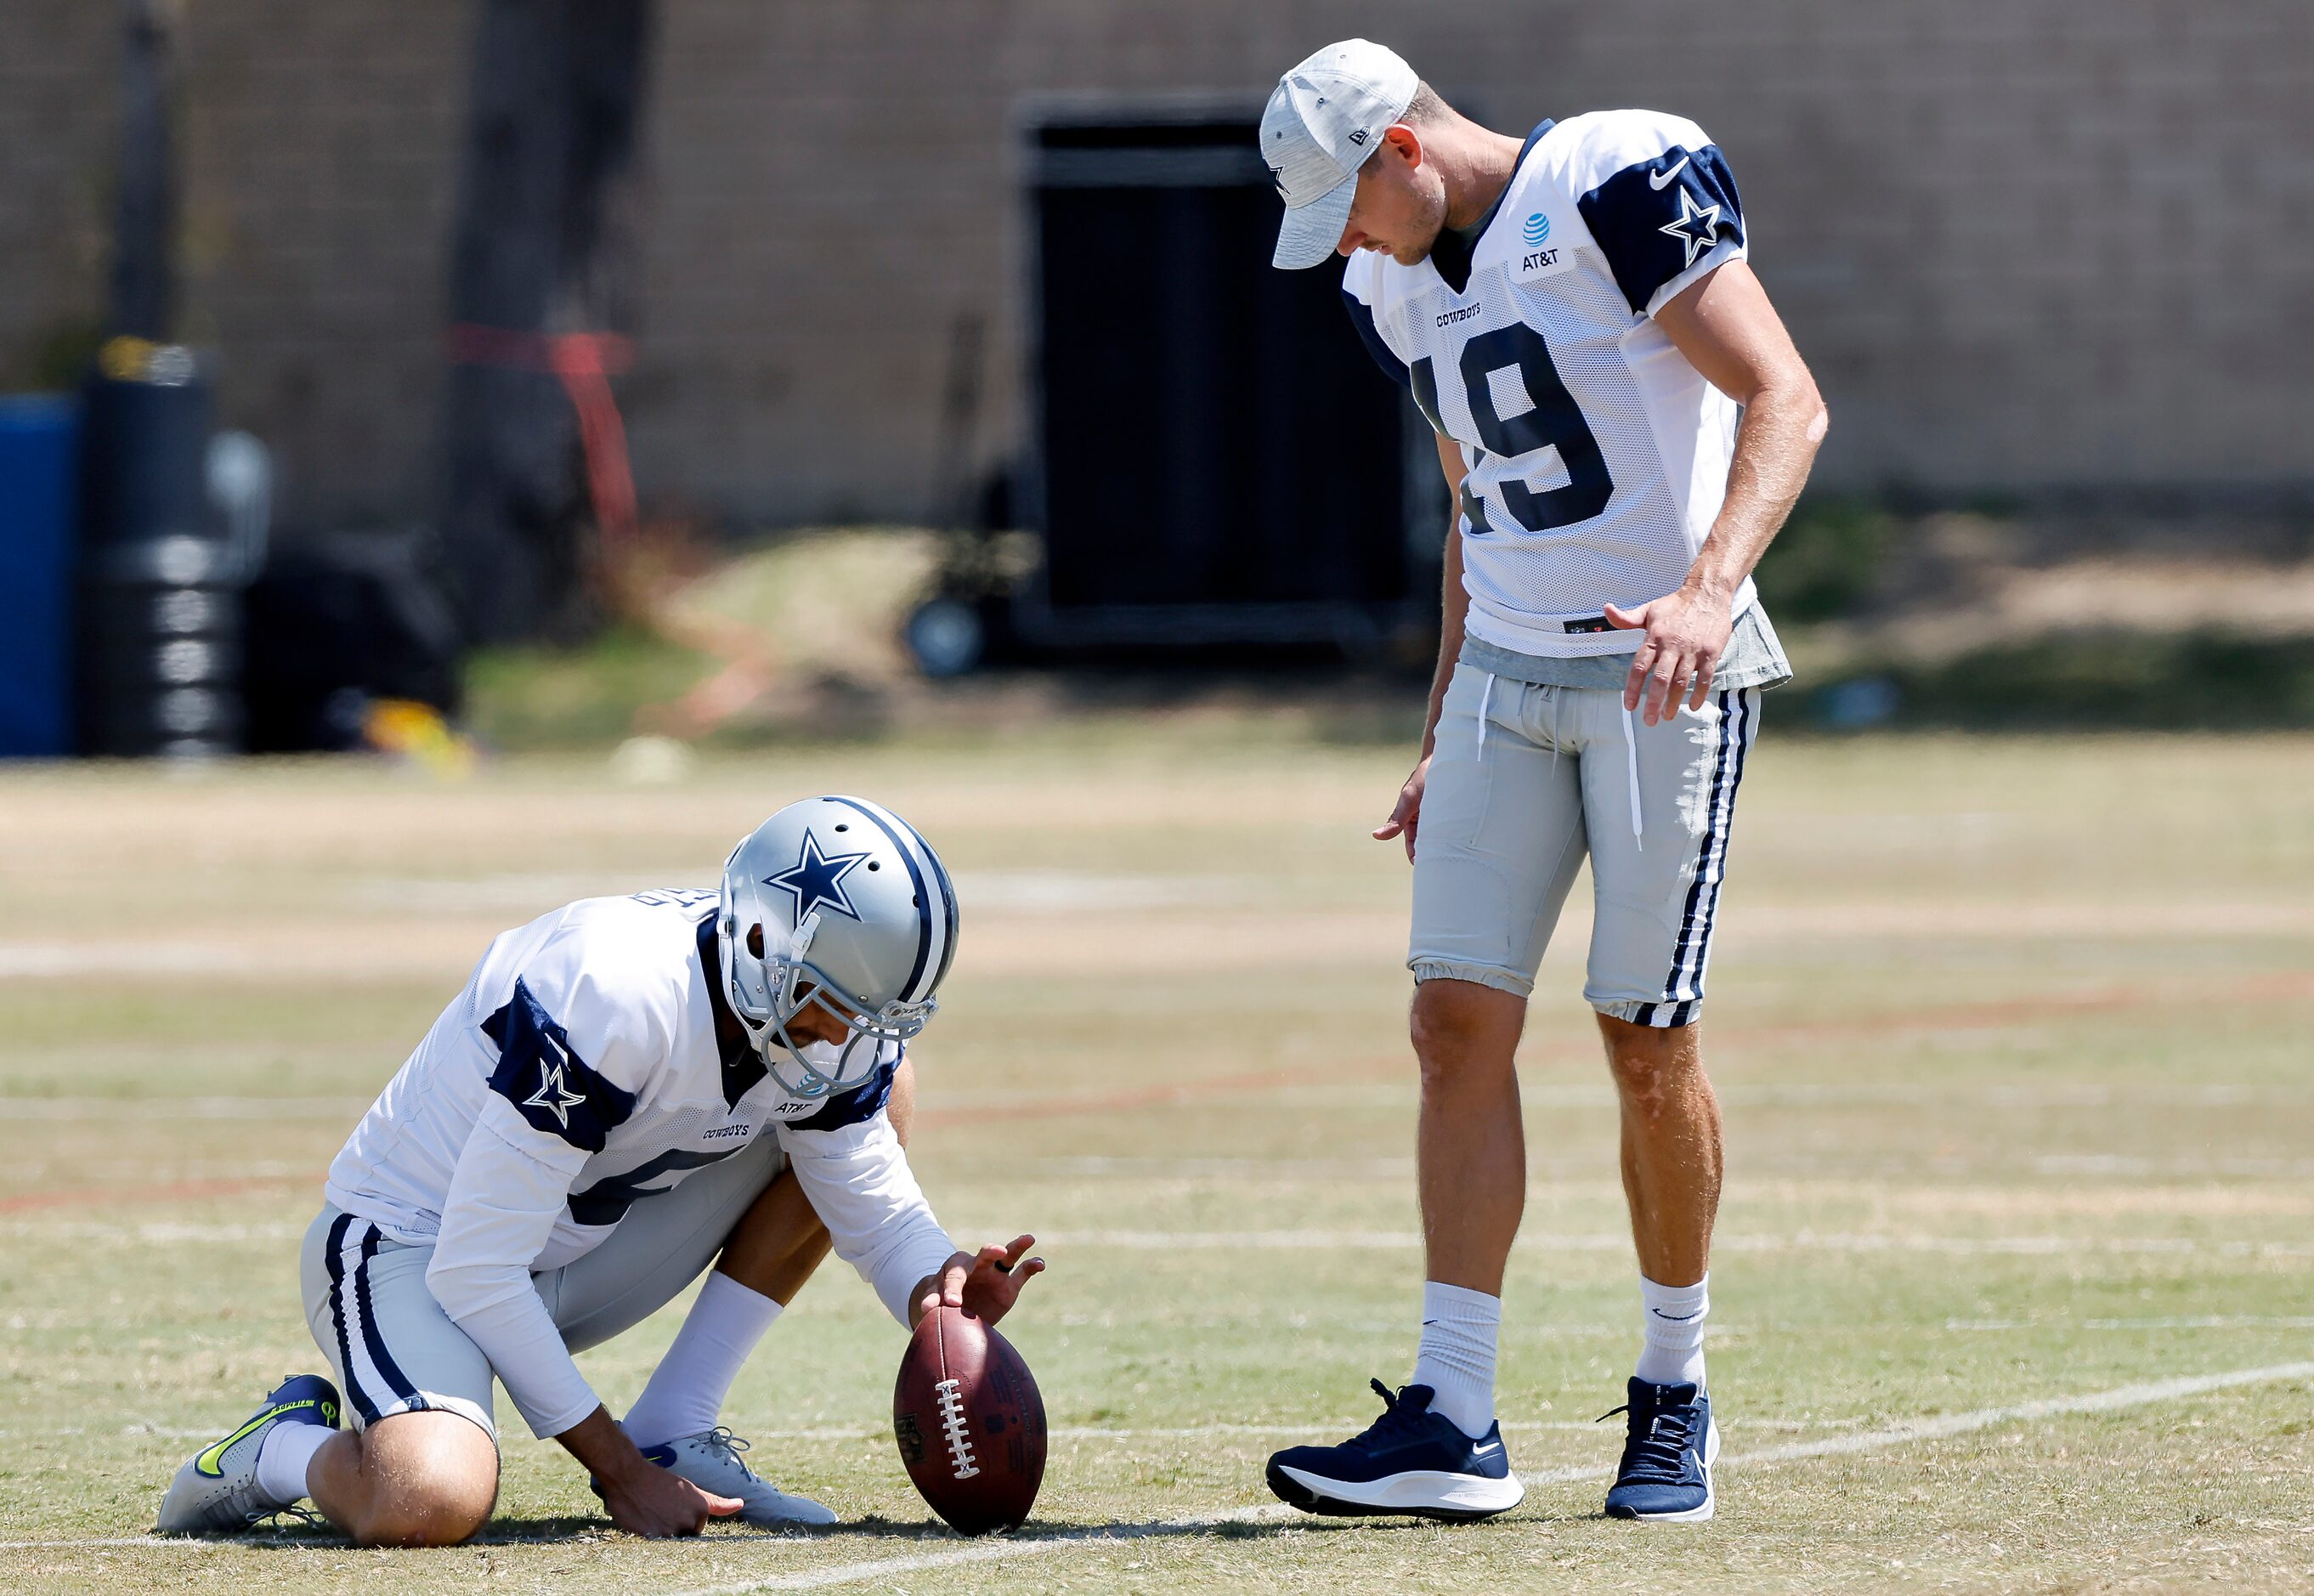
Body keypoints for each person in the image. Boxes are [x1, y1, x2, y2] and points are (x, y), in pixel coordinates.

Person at [1257, 41, 1825, 1524]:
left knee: (1644, 1037)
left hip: (1658, 672)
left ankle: (1671, 1387)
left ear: (1401, 145)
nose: (1343, 244)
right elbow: (1473, 513)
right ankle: (1451, 1414)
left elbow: (1784, 400)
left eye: (1346, 202)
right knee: (1452, 1020)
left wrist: (1707, 592)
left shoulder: (1609, 180)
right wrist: (1440, 722)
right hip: (1507, 674)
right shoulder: (1391, 284)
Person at [157, 795, 1043, 1544]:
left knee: (882, 1102)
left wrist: (935, 1286)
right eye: (829, 1007)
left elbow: (871, 1209)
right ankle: (279, 1451)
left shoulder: (813, 1014)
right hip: (413, 1255)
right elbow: (474, 1267)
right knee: (430, 1500)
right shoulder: (613, 991)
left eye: (868, 1017)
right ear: (761, 941)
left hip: (573, 1244)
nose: (845, 1039)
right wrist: (618, 1473)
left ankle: (678, 1424)